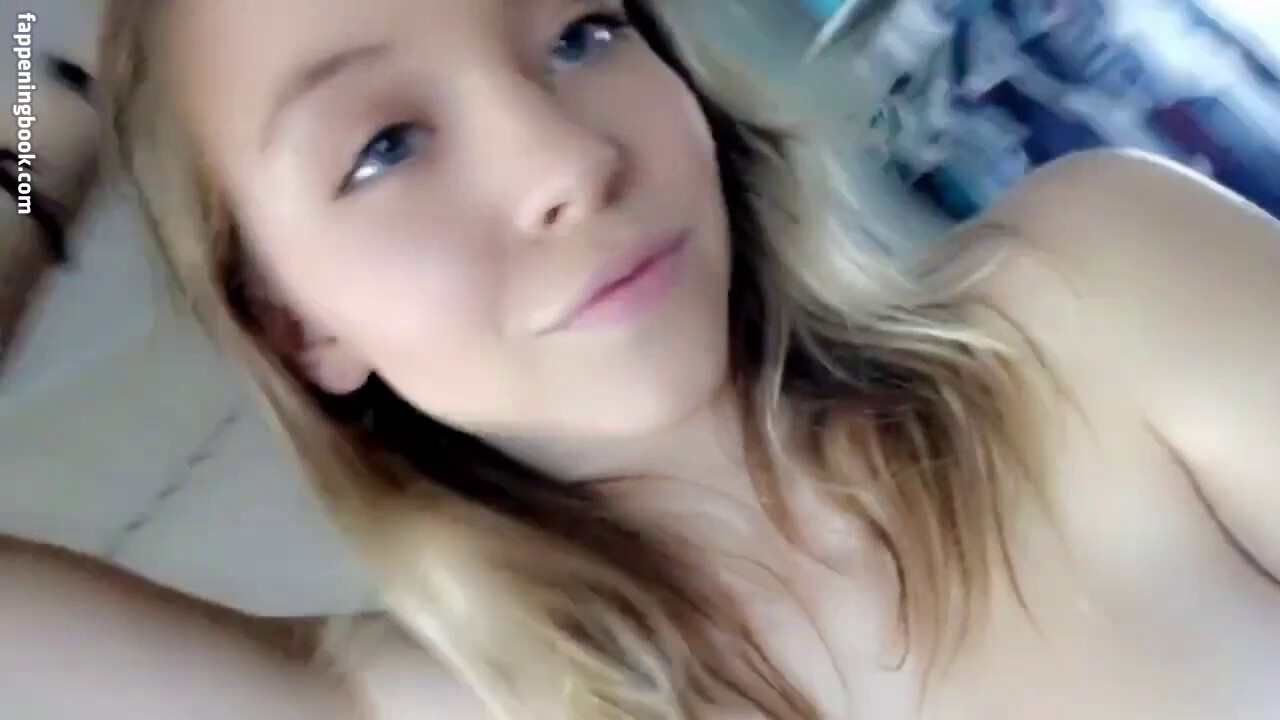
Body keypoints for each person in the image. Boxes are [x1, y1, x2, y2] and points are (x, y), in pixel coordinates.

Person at [3, 0, 1278, 718]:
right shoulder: (419, 710)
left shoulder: (1096, 298)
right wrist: (37, 94)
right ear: (297, 326)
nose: (565, 160)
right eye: (384, 145)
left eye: (578, 33)